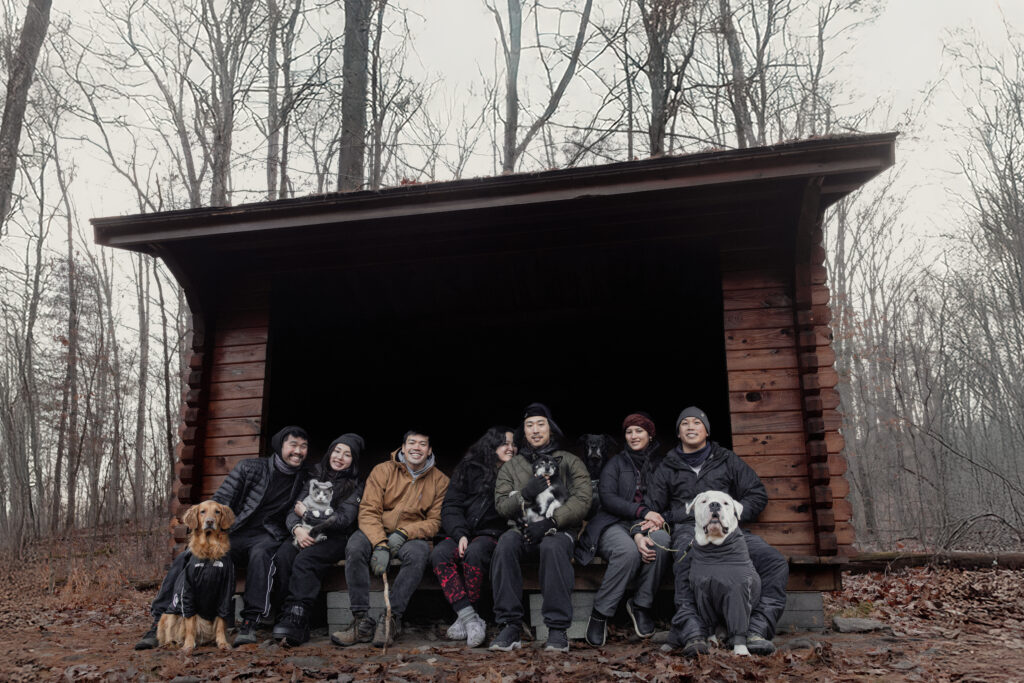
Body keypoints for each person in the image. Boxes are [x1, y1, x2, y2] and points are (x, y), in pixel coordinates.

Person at [135, 426, 312, 649]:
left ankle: (250, 622)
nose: (298, 451)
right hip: (233, 533)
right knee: (186, 557)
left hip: (269, 535)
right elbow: (221, 499)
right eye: (293, 445)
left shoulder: (305, 479)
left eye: (303, 447)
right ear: (280, 447)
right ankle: (158, 622)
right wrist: (207, 535)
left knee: (261, 554)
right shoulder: (250, 468)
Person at [641, 406, 789, 657]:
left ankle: (756, 629)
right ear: (678, 433)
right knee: (685, 560)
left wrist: (732, 515)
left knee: (775, 562)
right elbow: (654, 509)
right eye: (684, 423)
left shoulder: (727, 459)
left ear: (706, 431)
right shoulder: (667, 466)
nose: (690, 427)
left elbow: (757, 494)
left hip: (731, 533)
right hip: (689, 531)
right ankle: (694, 632)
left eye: (697, 423)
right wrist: (678, 517)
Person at [331, 430, 449, 648]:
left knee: (419, 553)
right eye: (411, 443)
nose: (416, 448)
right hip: (377, 529)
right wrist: (380, 544)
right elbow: (368, 510)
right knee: (355, 547)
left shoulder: (440, 480)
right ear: (403, 447)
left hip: (411, 535)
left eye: (422, 444)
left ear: (429, 450)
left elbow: (435, 522)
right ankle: (361, 621)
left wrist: (405, 533)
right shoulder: (382, 470)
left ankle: (391, 619)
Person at [489, 403, 592, 653]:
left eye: (540, 424)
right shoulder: (512, 466)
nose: (535, 430)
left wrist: (553, 520)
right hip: (523, 529)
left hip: (558, 530)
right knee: (505, 545)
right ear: (523, 432)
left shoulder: (569, 461)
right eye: (529, 425)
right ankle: (510, 626)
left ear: (550, 428)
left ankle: (557, 630)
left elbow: (583, 498)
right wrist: (524, 494)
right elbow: (502, 505)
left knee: (553, 546)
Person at [576, 412, 672, 646]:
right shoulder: (615, 463)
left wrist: (647, 523)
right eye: (629, 431)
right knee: (627, 552)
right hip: (612, 522)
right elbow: (608, 499)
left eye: (639, 431)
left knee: (660, 541)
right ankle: (601, 613)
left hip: (648, 522)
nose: (633, 435)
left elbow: (666, 499)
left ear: (650, 435)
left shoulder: (662, 464)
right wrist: (639, 523)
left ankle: (641, 605)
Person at [271, 433, 365, 646]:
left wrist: (308, 515)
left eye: (347, 454)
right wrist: (296, 529)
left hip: (335, 538)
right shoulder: (313, 473)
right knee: (284, 554)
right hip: (303, 531)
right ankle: (284, 615)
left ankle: (299, 618)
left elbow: (343, 519)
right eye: (337, 451)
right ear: (330, 451)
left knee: (306, 560)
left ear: (353, 460)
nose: (340, 457)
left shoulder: (356, 485)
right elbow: (294, 508)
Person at [430, 426, 516, 648]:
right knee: (440, 553)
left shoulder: (516, 471)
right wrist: (459, 533)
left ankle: (469, 616)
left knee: (475, 553)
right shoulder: (468, 468)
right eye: (505, 443)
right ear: (492, 445)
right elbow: (451, 505)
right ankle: (470, 618)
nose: (511, 448)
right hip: (464, 531)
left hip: (493, 533)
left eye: (514, 444)